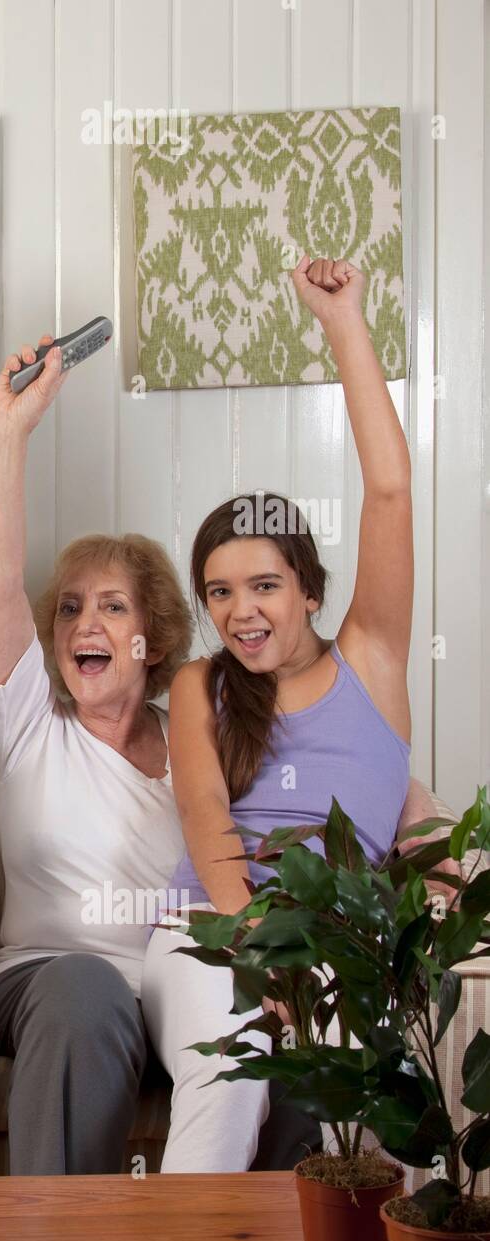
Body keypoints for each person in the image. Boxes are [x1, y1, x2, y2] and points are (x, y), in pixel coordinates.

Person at [0, 337, 330, 1173]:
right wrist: (7, 433)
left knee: (286, 1035)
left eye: (111, 607)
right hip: (54, 980)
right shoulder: (28, 722)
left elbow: (328, 777)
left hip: (182, 984)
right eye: (67, 610)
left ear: (154, 636)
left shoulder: (201, 733)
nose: (83, 625)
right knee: (88, 993)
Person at [165, 256, 420, 1163]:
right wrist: (263, 954)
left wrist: (343, 321)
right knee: (230, 1075)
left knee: (373, 1096)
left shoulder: (372, 661)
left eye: (265, 585)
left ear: (309, 589)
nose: (242, 612)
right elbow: (207, 830)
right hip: (219, 929)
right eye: (220, 592)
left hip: (347, 941)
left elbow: (390, 490)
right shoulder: (199, 686)